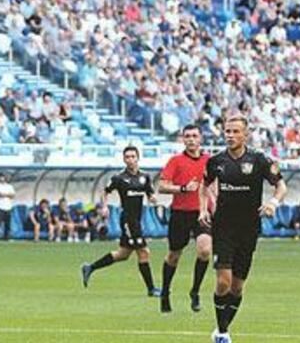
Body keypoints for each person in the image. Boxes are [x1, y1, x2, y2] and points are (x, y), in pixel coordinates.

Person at [199, 116, 287, 343]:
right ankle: (222, 333)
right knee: (223, 282)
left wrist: (273, 203)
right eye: (227, 131)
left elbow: (281, 185)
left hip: (249, 229)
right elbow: (204, 185)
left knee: (237, 288)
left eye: (235, 131)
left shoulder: (259, 160)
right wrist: (203, 209)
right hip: (223, 228)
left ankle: (222, 329)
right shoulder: (216, 161)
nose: (230, 135)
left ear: (245, 135)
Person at [81, 146, 160, 297]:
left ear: (138, 158)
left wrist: (153, 198)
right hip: (128, 220)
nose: (130, 159)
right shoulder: (119, 178)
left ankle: (90, 267)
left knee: (123, 254)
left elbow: (150, 194)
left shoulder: (145, 177)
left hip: (137, 220)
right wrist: (105, 206)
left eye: (133, 156)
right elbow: (105, 192)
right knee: (144, 252)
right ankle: (151, 289)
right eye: (127, 157)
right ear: (124, 159)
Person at [156, 124, 213, 313]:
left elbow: (214, 186)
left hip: (202, 213)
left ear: (200, 138)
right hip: (180, 213)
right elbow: (162, 186)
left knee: (205, 250)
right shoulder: (176, 161)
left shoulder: (209, 161)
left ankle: (195, 291)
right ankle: (165, 292)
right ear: (183, 139)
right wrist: (182, 188)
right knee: (174, 255)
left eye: (194, 136)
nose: (191, 139)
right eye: (187, 136)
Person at [0, 173, 15, 241]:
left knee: (8, 224)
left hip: (8, 207)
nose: (2, 178)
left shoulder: (9, 186)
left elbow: (12, 195)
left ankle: (7, 237)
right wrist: (7, 194)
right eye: (1, 177)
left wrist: (5, 194)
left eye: (3, 177)